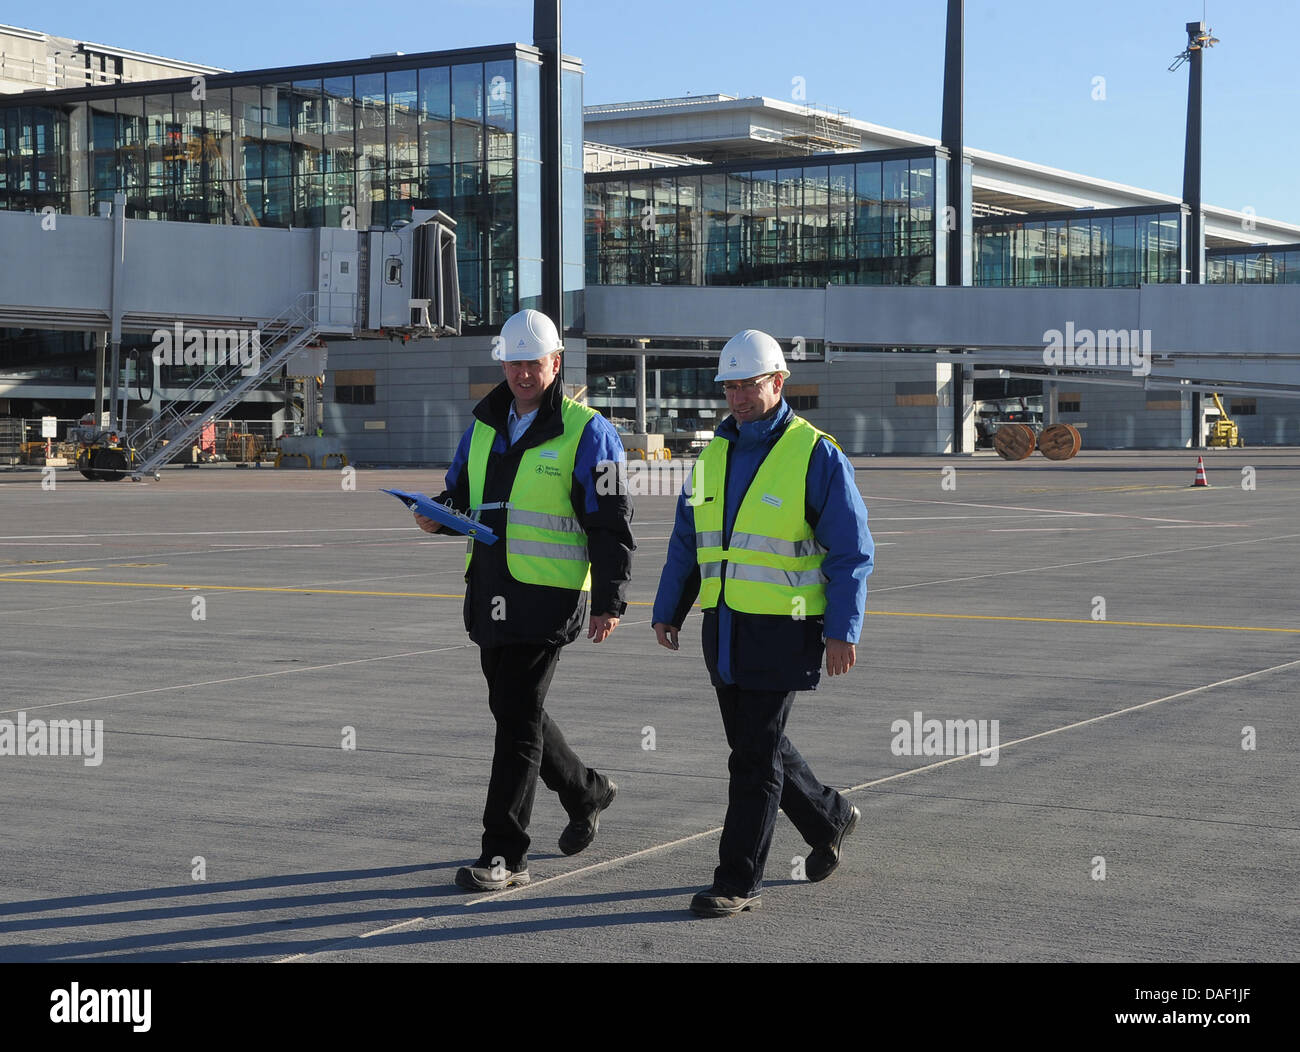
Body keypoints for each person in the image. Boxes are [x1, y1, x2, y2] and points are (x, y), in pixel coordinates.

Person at [652, 329, 874, 917]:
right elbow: (686, 540)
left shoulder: (815, 453)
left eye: (750, 384)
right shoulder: (714, 453)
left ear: (779, 382)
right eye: (730, 386)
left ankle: (736, 881)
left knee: (751, 757)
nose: (739, 397)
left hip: (783, 628)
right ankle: (830, 816)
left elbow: (851, 551)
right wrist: (668, 608)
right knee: (758, 743)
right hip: (721, 628)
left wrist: (841, 628)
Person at [416, 308, 634, 892]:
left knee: (514, 722)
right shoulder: (483, 425)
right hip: (489, 589)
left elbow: (611, 520)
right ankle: (586, 790)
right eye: (513, 363)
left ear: (555, 364)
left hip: (548, 595)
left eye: (532, 362)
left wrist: (611, 598)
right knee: (516, 712)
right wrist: (437, 516)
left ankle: (505, 853)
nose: (521, 373)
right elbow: (462, 495)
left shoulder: (590, 431)